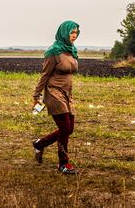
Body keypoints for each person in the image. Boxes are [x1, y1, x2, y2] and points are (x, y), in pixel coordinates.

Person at [32, 20, 80, 175]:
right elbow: (44, 75)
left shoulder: (71, 50)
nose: (74, 35)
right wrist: (36, 95)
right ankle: (63, 164)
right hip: (54, 93)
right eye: (71, 32)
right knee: (65, 128)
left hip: (67, 94)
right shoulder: (53, 52)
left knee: (69, 129)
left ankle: (39, 144)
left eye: (76, 32)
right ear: (64, 32)